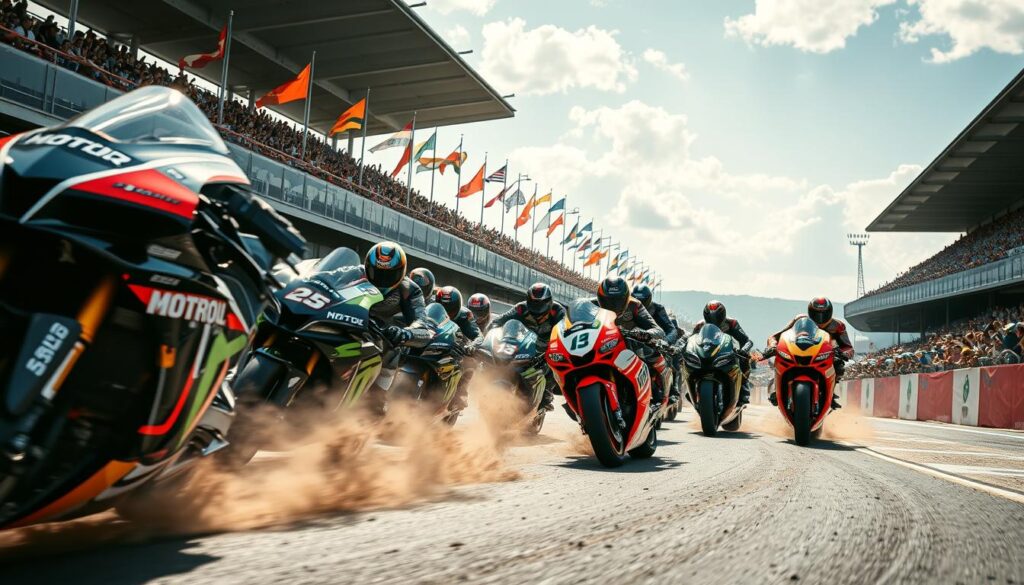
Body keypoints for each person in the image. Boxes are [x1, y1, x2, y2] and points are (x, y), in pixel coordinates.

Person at [362, 242, 430, 410]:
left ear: (401, 272)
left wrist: (405, 333)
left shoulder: (410, 290)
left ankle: (375, 406)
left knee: (392, 353)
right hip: (348, 323)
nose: (381, 279)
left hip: (381, 336)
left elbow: (422, 322)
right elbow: (327, 277)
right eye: (376, 272)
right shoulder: (355, 273)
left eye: (389, 274)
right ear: (367, 267)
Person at [591, 277, 669, 406]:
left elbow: (658, 330)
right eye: (608, 301)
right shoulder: (591, 305)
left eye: (618, 301)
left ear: (626, 297)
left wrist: (646, 334)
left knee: (650, 356)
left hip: (630, 345)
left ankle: (654, 393)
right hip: (602, 344)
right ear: (600, 298)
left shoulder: (635, 305)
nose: (613, 305)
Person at [489, 283, 566, 410]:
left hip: (547, 349)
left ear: (548, 301)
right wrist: (491, 334)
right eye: (534, 303)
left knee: (553, 364)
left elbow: (567, 330)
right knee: (499, 362)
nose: (538, 308)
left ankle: (546, 394)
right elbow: (499, 321)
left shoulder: (558, 311)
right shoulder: (520, 308)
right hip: (522, 345)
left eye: (541, 303)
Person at [765, 297, 853, 409]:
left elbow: (848, 346)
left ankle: (830, 394)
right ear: (810, 312)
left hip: (825, 354)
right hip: (799, 351)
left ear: (829, 312)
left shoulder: (838, 326)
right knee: (778, 360)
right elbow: (777, 336)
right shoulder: (800, 320)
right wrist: (772, 346)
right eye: (816, 313)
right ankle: (776, 390)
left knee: (839, 365)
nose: (820, 318)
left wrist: (844, 353)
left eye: (823, 313)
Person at [692, 300, 754, 405]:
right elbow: (690, 339)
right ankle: (691, 387)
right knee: (688, 360)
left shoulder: (732, 323)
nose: (714, 319)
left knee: (744, 359)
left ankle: (743, 388)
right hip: (706, 353)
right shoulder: (700, 325)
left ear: (723, 315)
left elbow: (747, 340)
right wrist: (682, 347)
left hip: (726, 352)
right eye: (710, 317)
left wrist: (743, 350)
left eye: (717, 316)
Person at [632, 284, 684, 405]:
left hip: (653, 342)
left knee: (672, 355)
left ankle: (673, 388)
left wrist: (665, 341)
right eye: (637, 299)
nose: (640, 303)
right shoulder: (627, 307)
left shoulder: (657, 309)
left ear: (649, 299)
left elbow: (671, 329)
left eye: (643, 300)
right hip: (631, 340)